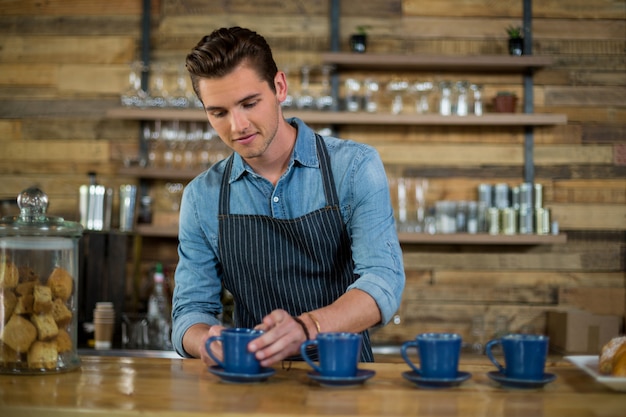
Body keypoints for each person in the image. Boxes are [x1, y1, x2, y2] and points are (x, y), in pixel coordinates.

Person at [171, 26, 405, 367]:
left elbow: (384, 281)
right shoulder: (201, 198)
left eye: (249, 103)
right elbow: (189, 312)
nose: (237, 126)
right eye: (218, 113)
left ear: (279, 87)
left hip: (343, 377)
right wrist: (206, 340)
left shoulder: (353, 167)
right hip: (250, 380)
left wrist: (307, 327)